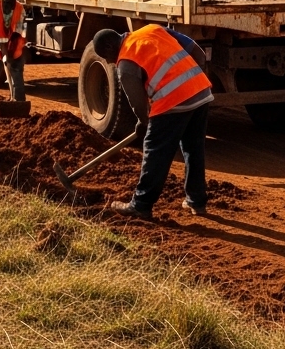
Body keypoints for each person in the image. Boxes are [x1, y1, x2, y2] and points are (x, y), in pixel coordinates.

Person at [91, 25, 214, 221]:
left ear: (108, 46)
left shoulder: (126, 63)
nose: (109, 62)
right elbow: (197, 52)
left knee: (155, 150)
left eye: (106, 57)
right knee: (193, 148)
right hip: (201, 91)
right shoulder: (153, 29)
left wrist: (145, 122)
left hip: (173, 101)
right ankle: (196, 201)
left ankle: (141, 204)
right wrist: (193, 80)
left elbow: (138, 103)